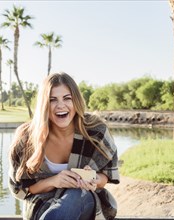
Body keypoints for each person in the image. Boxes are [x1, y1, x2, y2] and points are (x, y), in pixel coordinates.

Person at [8, 72, 120, 220]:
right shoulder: (26, 137)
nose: (60, 105)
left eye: (67, 98)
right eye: (52, 100)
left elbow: (105, 177)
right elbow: (20, 189)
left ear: (76, 101)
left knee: (76, 193)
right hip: (42, 204)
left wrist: (92, 178)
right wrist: (53, 181)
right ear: (44, 105)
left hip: (84, 200)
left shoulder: (95, 130)